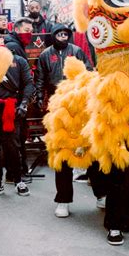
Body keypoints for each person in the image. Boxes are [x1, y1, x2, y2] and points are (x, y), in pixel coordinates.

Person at [35, 23, 98, 217]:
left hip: (80, 102)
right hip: (57, 102)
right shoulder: (46, 54)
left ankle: (101, 193)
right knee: (62, 152)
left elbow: (89, 72)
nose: (62, 37)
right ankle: (63, 199)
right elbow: (40, 78)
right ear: (53, 36)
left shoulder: (77, 51)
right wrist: (39, 97)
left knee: (91, 150)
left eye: (65, 34)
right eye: (59, 34)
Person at [0, 31, 34, 198]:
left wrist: (24, 103)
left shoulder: (17, 61)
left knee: (13, 148)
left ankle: (18, 180)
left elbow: (28, 84)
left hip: (10, 109)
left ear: (1, 40)